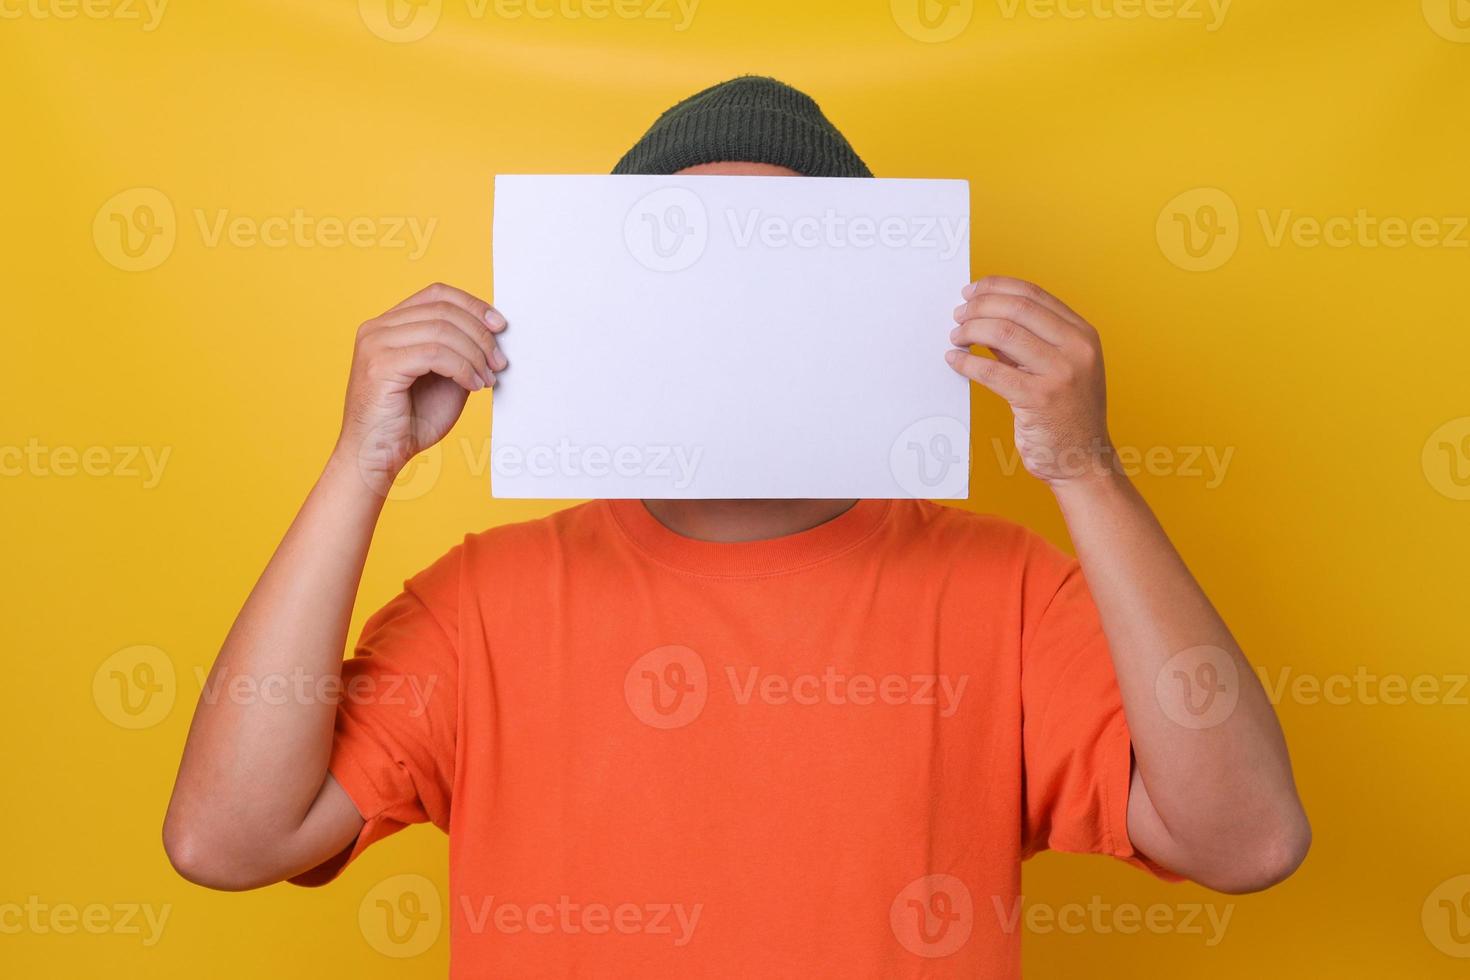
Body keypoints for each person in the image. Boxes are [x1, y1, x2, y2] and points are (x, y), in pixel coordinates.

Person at [163, 76, 1308, 976]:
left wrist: (1087, 470)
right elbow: (228, 840)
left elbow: (1247, 840)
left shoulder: (1003, 587)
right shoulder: (484, 602)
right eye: (686, 260)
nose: (738, 314)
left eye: (787, 259)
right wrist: (362, 463)